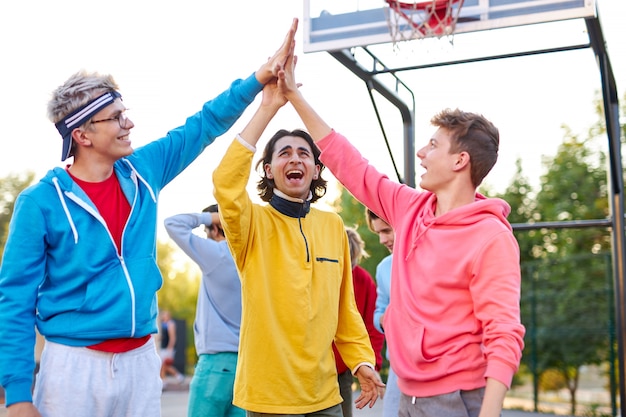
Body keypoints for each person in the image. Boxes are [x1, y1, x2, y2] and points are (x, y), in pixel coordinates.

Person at [0, 19, 298, 417]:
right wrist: (18, 394)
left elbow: (204, 124)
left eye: (126, 113)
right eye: (116, 117)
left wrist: (260, 77)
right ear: (83, 135)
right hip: (72, 367)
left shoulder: (144, 171)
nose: (130, 123)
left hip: (141, 361)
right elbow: (14, 300)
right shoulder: (40, 203)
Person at [276, 48, 526, 417]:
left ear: (460, 161)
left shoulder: (491, 238)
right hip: (406, 392)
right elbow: (349, 163)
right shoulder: (408, 207)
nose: (422, 153)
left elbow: (503, 333)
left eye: (434, 145)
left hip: (457, 397)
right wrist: (295, 97)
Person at [212, 20, 384, 413]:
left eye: (304, 152)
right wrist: (269, 107)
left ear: (316, 170)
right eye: (283, 153)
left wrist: (361, 362)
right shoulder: (250, 224)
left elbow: (345, 310)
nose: (294, 157)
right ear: (269, 171)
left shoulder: (332, 226)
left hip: (325, 395)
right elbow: (225, 182)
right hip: (267, 396)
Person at [164, 205, 244, 417]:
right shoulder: (250, 257)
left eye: (207, 231)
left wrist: (210, 217)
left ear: (216, 229)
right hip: (245, 366)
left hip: (215, 366)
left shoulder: (218, 254)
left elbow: (172, 224)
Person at [333, 226, 385, 417]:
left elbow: (372, 327)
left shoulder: (363, 280)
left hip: (344, 368)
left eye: (352, 262)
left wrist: (370, 364)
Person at [365, 208, 401, 417]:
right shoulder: (384, 268)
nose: (382, 240)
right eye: (378, 233)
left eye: (386, 231)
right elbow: (377, 313)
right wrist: (385, 318)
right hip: (397, 365)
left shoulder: (429, 259)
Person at [158, 310, 185, 385]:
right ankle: (178, 377)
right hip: (164, 347)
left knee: (163, 365)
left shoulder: (170, 324)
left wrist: (170, 348)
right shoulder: (163, 324)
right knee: (164, 366)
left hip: (167, 348)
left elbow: (172, 337)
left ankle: (166, 381)